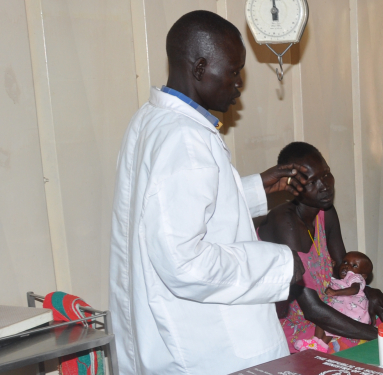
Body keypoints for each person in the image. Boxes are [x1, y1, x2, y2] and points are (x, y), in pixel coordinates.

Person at [109, 11, 311, 374]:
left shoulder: (150, 121)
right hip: (209, 348)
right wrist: (279, 264)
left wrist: (251, 189)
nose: (238, 85)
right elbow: (184, 263)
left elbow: (165, 216)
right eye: (234, 72)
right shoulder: (185, 140)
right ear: (200, 68)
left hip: (172, 337)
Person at [259, 142, 383, 354]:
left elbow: (344, 272)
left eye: (326, 174)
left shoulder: (325, 211)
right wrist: (379, 336)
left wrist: (368, 291)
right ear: (291, 186)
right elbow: (310, 308)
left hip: (326, 312)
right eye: (312, 181)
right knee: (378, 347)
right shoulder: (283, 222)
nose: (325, 185)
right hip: (292, 325)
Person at [292, 252, 377, 352]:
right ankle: (316, 341)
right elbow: (335, 281)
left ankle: (322, 344)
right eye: (345, 262)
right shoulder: (344, 279)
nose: (347, 266)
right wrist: (330, 269)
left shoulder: (356, 277)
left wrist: (335, 292)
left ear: (363, 275)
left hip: (351, 307)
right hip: (340, 304)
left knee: (331, 322)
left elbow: (354, 290)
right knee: (322, 318)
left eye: (354, 265)